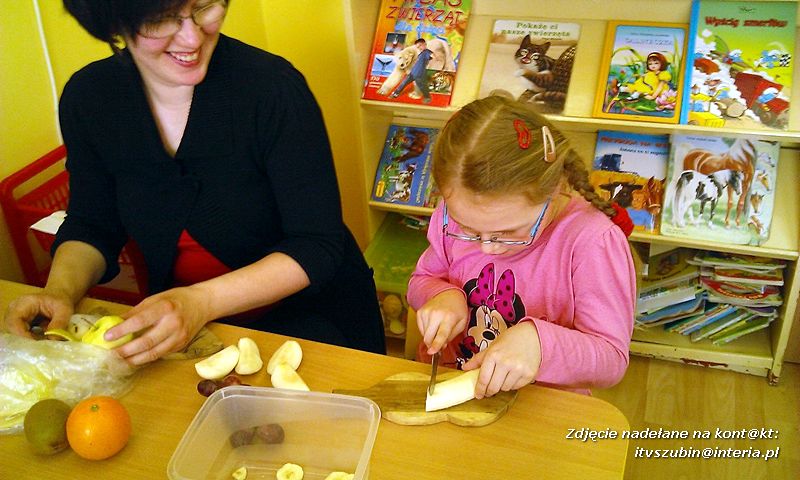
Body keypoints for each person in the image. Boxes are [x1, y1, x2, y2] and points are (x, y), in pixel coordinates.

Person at [3, 0, 386, 363]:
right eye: (161, 17)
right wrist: (60, 292)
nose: (192, 38)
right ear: (116, 20)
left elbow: (317, 244)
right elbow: (92, 223)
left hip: (313, 321)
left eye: (203, 7)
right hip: (190, 332)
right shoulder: (90, 100)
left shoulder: (272, 89)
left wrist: (199, 302)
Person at [407, 96, 636, 398]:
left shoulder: (591, 241)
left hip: (539, 404)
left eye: (508, 232)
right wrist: (441, 295)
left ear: (554, 190)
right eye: (471, 231)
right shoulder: (454, 215)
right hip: (452, 384)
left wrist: (540, 345)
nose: (487, 248)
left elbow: (611, 359)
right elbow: (421, 280)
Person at [390, 38, 435, 103]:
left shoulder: (426, 52)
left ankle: (427, 97)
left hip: (420, 74)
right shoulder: (420, 53)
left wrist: (432, 56)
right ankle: (395, 94)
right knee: (403, 83)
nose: (419, 47)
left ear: (424, 44)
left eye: (420, 45)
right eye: (417, 47)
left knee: (422, 86)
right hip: (413, 73)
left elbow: (432, 55)